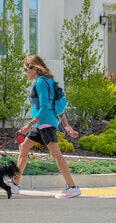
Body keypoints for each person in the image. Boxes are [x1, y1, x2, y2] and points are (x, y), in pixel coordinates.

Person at [7, 54, 81, 199]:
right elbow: (58, 108)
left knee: (56, 155)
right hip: (42, 123)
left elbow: (46, 107)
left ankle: (73, 187)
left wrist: (29, 125)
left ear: (34, 68)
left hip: (45, 124)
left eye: (25, 69)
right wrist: (66, 126)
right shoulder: (48, 81)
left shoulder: (41, 82)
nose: (24, 72)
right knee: (23, 147)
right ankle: (15, 184)